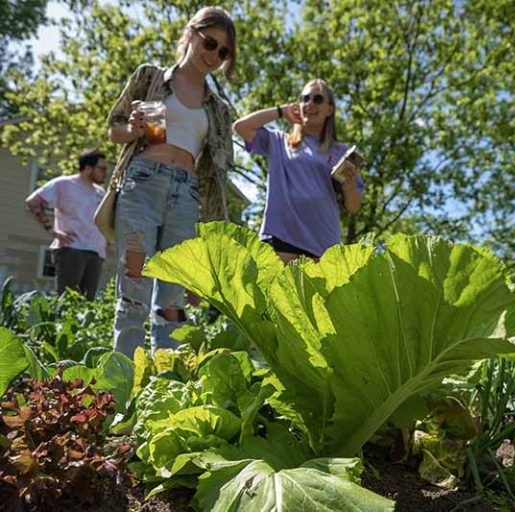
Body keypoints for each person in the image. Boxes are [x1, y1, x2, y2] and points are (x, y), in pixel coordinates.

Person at [106, 6, 236, 357]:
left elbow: (220, 170)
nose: (214, 55)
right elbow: (114, 129)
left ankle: (166, 386)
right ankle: (122, 390)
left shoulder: (219, 109)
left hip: (186, 195)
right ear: (191, 34)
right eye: (210, 43)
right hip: (143, 184)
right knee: (134, 288)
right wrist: (131, 129)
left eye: (223, 51)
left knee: (173, 301)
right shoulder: (150, 78)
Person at [233, 79, 363, 264]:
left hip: (323, 244)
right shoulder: (278, 141)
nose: (309, 104)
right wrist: (281, 111)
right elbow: (241, 127)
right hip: (280, 237)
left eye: (317, 99)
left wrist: (349, 184)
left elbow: (354, 206)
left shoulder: (341, 152)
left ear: (330, 109)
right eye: (304, 98)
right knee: (275, 292)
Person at [25, 149, 108, 300]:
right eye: (102, 168)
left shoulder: (100, 192)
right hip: (72, 249)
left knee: (87, 305)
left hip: (96, 253)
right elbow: (33, 203)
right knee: (67, 301)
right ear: (88, 168)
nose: (105, 172)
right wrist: (52, 231)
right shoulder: (63, 184)